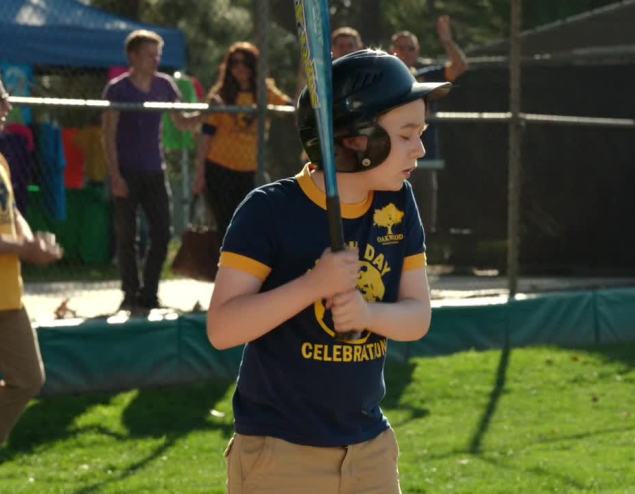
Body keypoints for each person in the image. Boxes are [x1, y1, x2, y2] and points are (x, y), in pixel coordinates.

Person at [207, 49, 449, 493]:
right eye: (407, 135)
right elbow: (223, 329)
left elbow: (417, 317)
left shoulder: (397, 203)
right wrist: (312, 286)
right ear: (357, 139)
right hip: (280, 453)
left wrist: (368, 314)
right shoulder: (269, 210)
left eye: (421, 133)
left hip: (368, 449)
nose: (420, 148)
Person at [102, 30, 200, 311]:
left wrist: (207, 113)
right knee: (127, 235)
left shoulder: (165, 85)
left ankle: (150, 293)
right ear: (133, 56)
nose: (155, 60)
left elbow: (182, 122)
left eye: (158, 55)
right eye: (149, 55)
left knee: (162, 232)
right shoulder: (117, 89)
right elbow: (108, 134)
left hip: (155, 169)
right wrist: (115, 175)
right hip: (126, 171)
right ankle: (130, 293)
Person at [0, 77, 63, 444]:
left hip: (9, 295)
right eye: (1, 99)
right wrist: (25, 250)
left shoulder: (1, 160)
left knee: (28, 378)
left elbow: (12, 212)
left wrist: (31, 240)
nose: (8, 107)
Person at [192, 42, 291, 234]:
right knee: (225, 224)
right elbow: (207, 134)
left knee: (250, 222)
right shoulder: (220, 93)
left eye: (246, 62)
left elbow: (289, 107)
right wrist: (200, 173)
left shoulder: (264, 91)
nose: (240, 67)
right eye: (234, 63)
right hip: (219, 166)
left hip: (250, 169)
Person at [391, 15, 468, 232]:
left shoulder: (428, 77)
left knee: (424, 225)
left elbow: (459, 66)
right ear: (391, 50)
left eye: (410, 48)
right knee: (393, 223)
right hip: (392, 160)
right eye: (400, 47)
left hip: (424, 159)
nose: (405, 52)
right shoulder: (383, 78)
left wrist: (447, 41)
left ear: (417, 52)